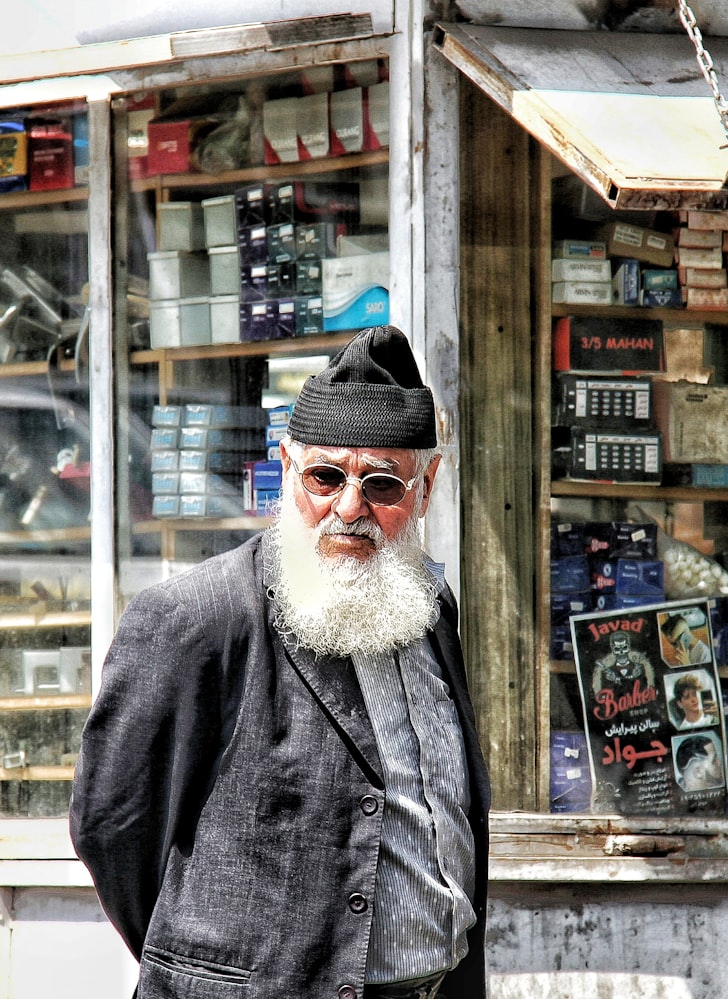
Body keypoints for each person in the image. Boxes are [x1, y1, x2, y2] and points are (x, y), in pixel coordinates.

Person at [69, 326, 491, 999]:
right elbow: (114, 826)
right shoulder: (199, 617)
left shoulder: (430, 605)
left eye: (381, 484)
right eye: (326, 476)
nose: (348, 509)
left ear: (427, 482)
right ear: (288, 464)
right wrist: (209, 968)